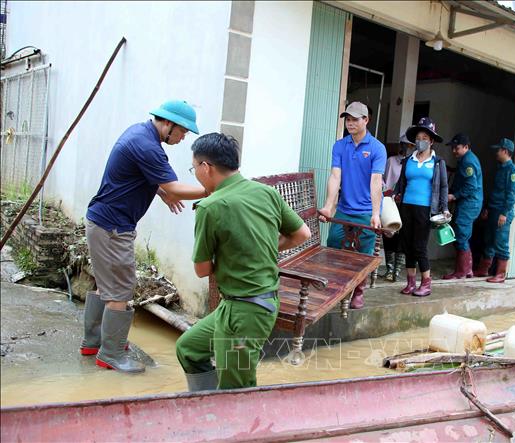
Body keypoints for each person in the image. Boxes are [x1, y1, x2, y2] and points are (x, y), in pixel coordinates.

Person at [175, 133, 311, 391]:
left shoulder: (209, 207)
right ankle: (207, 406)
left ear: (206, 167)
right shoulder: (265, 192)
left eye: (194, 168)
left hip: (248, 309)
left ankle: (231, 420)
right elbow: (302, 234)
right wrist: (257, 250)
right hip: (243, 305)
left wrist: (231, 257)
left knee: (236, 388)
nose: (195, 174)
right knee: (189, 348)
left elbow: (203, 269)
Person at [82, 100, 208, 373]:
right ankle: (111, 354)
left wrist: (162, 194)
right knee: (121, 288)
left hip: (103, 222)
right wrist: (213, 189)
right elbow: (174, 186)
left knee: (106, 285)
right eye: (183, 131)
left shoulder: (139, 134)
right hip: (114, 228)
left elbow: (148, 180)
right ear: (168, 124)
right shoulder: (148, 146)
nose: (184, 137)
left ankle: (94, 341)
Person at [319, 101, 387, 309]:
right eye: (347, 119)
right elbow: (335, 176)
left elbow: (376, 181)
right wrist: (329, 206)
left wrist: (376, 214)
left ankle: (358, 290)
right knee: (333, 242)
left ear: (366, 120)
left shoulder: (377, 148)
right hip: (345, 209)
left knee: (364, 252)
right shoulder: (340, 146)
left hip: (367, 210)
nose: (350, 123)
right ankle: (336, 286)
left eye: (355, 119)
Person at [394, 118, 450, 297]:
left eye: (425, 137)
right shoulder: (408, 160)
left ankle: (426, 282)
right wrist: (395, 194)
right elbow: (401, 182)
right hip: (406, 207)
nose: (421, 141)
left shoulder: (438, 162)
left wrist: (444, 208)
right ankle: (411, 282)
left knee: (420, 247)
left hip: (425, 209)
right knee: (407, 245)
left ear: (431, 141)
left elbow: (443, 187)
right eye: (418, 137)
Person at [474, 138, 515, 283]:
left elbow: (513, 194)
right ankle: (483, 269)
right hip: (493, 209)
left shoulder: (513, 171)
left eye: (498, 150)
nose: (496, 152)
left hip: (502, 212)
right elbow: (494, 191)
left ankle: (500, 274)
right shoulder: (500, 168)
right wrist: (487, 208)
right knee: (489, 239)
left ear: (505, 151)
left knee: (501, 242)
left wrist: (504, 213)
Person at [443, 133, 483, 280]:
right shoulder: (464, 159)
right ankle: (468, 270)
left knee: (461, 235)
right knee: (462, 235)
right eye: (453, 147)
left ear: (466, 147)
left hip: (469, 203)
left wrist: (454, 196)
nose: (454, 151)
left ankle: (461, 271)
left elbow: (471, 186)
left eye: (457, 148)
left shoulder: (468, 162)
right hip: (468, 203)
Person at [381, 133, 413, 282]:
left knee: (403, 237)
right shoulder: (391, 161)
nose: (408, 148)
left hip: (406, 204)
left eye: (411, 145)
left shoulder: (413, 163)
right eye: (406, 144)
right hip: (392, 204)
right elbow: (385, 182)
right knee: (389, 235)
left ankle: (398, 270)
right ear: (401, 145)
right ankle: (389, 269)